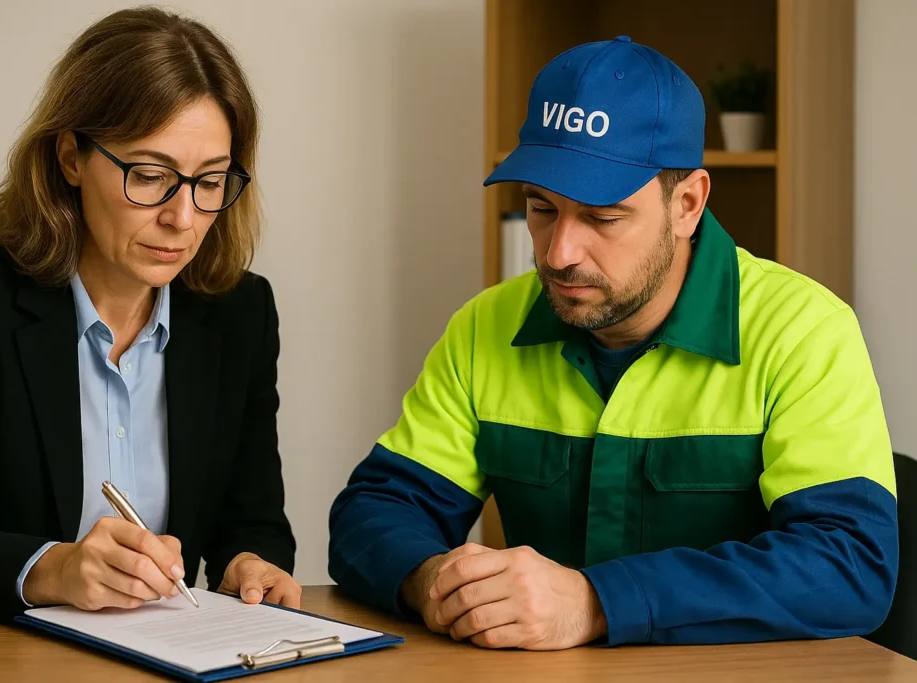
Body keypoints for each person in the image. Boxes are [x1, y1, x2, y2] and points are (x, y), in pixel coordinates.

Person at [328, 36, 898, 649]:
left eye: (602, 217)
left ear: (687, 204)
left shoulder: (803, 332)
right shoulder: (484, 326)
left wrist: (596, 604)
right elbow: (373, 514)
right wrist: (433, 578)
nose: (557, 254)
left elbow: (849, 566)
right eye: (542, 208)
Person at [0, 7, 300, 620]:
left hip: (170, 655)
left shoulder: (240, 314)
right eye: (150, 174)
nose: (182, 218)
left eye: (210, 181)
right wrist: (51, 569)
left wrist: (251, 564)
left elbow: (254, 521)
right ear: (71, 158)